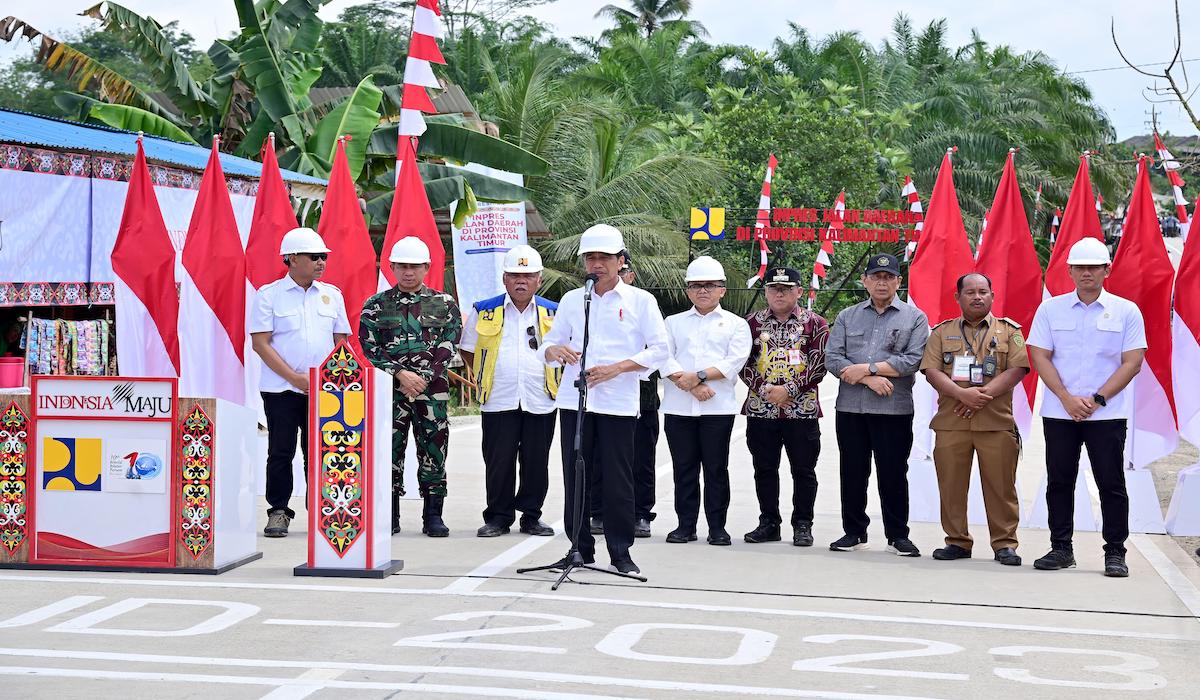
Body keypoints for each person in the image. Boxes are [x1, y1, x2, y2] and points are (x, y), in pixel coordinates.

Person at [538, 224, 669, 575]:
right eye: (590, 258)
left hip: (617, 402)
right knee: (575, 475)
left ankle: (620, 551)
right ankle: (578, 548)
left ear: (620, 260)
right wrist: (555, 350)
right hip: (574, 402)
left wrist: (619, 368)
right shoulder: (571, 299)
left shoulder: (641, 301)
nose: (597, 264)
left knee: (617, 478)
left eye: (604, 258)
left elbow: (660, 349)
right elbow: (547, 345)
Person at [1027, 237, 1145, 577]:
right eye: (1080, 267)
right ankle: (1061, 548)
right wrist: (1065, 398)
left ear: (1107, 270)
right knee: (1060, 481)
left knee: (1111, 483)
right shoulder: (1051, 309)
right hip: (1059, 412)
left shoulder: (1126, 310)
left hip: (1106, 414)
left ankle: (1115, 552)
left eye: (1094, 267)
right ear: (1070, 271)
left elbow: (1132, 361)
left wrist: (1096, 400)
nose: (1087, 273)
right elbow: (1039, 355)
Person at [920, 272, 1028, 566]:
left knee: (1001, 486)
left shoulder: (1009, 331)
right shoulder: (941, 333)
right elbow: (931, 371)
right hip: (952, 421)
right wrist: (962, 394)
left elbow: (1018, 368)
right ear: (958, 297)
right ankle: (957, 541)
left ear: (992, 295)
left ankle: (1005, 544)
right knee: (952, 485)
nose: (977, 296)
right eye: (970, 292)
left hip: (995, 422)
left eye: (983, 291)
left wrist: (983, 395)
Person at [826, 253, 929, 557]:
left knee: (893, 473)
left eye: (889, 277)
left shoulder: (914, 318)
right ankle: (854, 532)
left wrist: (868, 369)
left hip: (893, 410)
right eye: (876, 277)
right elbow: (834, 358)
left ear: (899, 281)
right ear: (865, 281)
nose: (882, 283)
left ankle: (898, 535)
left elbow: (913, 360)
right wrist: (868, 378)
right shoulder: (848, 316)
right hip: (851, 409)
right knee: (853, 472)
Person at [250, 227, 350, 538]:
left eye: (324, 257)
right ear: (292, 259)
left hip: (324, 388)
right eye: (314, 256)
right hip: (281, 389)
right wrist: (295, 378)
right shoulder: (268, 295)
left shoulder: (331, 295)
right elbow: (261, 343)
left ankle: (324, 510)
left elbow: (341, 341)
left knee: (321, 451)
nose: (321, 262)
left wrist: (326, 377)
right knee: (281, 451)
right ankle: (278, 510)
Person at [359, 236, 463, 537]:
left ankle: (433, 516)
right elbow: (370, 348)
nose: (408, 273)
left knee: (434, 449)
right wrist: (401, 375)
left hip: (432, 393)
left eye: (415, 267)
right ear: (391, 267)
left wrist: (424, 378)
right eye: (402, 266)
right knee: (389, 451)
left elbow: (449, 343)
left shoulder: (444, 303)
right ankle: (389, 514)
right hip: (390, 392)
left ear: (427, 268)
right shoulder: (375, 305)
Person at [459, 245, 558, 538]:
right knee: (498, 461)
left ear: (539, 279)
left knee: (536, 462)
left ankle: (531, 516)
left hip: (540, 398)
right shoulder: (485, 310)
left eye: (528, 275)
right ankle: (498, 517)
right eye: (515, 274)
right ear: (504, 278)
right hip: (499, 398)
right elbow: (468, 350)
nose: (521, 281)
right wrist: (486, 373)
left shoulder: (554, 311)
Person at [661, 256, 751, 546]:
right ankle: (685, 526)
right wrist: (690, 386)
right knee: (683, 469)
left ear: (722, 290)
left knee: (715, 469)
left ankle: (717, 527)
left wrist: (697, 378)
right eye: (696, 285)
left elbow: (733, 361)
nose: (703, 291)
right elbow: (664, 357)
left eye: (710, 285)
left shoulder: (736, 325)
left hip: (717, 409)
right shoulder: (672, 323)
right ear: (687, 290)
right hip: (678, 408)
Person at [738, 267, 829, 546]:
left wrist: (788, 390)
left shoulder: (815, 323)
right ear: (765, 292)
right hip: (760, 409)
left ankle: (803, 524)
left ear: (799, 292)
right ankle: (768, 523)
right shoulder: (751, 323)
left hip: (801, 410)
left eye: (786, 289)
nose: (779, 294)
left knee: (803, 470)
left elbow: (819, 364)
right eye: (774, 289)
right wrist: (767, 390)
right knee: (764, 468)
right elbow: (741, 362)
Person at [589, 255, 661, 538]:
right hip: (607, 396)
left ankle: (641, 514)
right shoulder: (596, 308)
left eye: (628, 272)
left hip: (642, 397)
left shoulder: (642, 306)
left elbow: (659, 350)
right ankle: (597, 511)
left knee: (641, 458)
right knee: (598, 458)